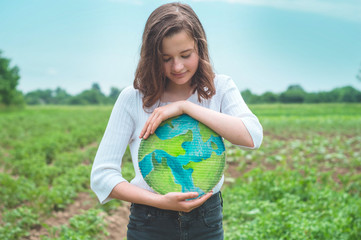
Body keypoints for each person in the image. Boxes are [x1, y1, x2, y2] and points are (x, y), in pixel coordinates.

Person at [90, 2, 263, 239]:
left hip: (206, 221)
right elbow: (102, 176)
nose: (177, 66)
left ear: (199, 48)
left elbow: (252, 137)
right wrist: (160, 201)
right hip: (149, 223)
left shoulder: (219, 88)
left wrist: (186, 107)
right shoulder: (133, 98)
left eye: (185, 55)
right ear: (151, 57)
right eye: (166, 58)